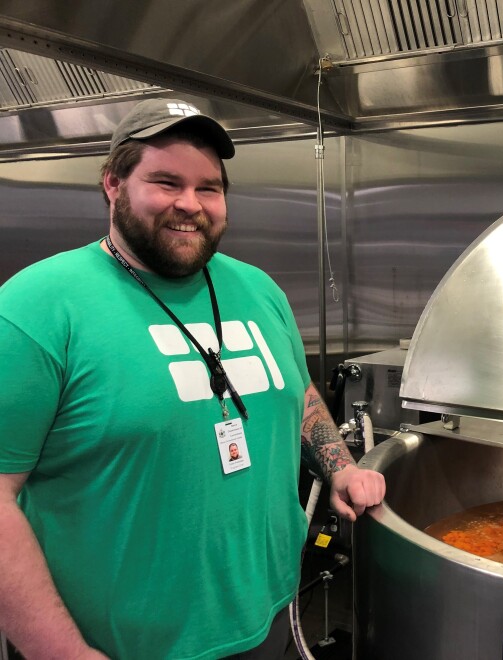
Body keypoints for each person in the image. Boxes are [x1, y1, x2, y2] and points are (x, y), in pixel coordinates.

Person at [0, 98, 385, 659]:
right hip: (115, 644)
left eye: (209, 187)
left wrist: (342, 467)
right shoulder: (35, 308)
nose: (190, 204)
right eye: (165, 182)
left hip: (266, 615)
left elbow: (297, 396)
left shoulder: (259, 289)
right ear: (112, 184)